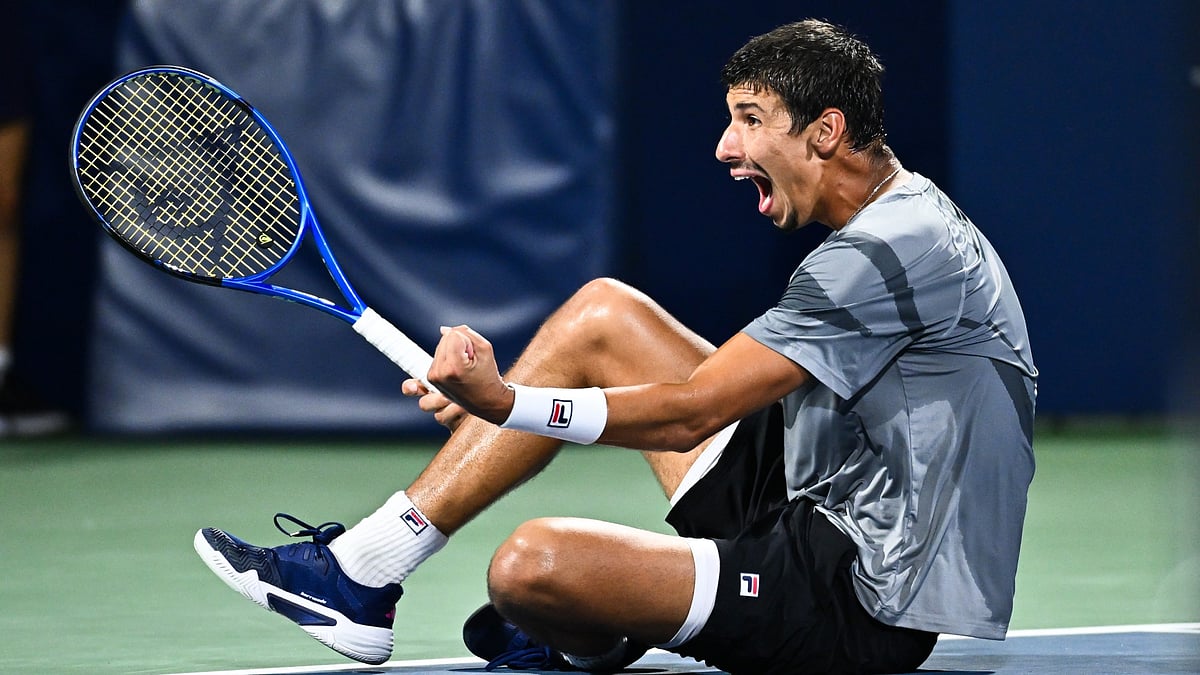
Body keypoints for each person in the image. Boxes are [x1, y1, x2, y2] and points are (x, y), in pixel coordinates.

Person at [195, 19, 1036, 674]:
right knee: (603, 315)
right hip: (815, 490)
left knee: (532, 565)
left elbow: (692, 412)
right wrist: (508, 395)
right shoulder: (897, 213)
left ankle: (590, 638)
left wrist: (505, 402)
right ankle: (364, 570)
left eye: (749, 120)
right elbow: (728, 396)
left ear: (825, 129)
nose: (725, 147)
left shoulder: (888, 251)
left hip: (859, 596)